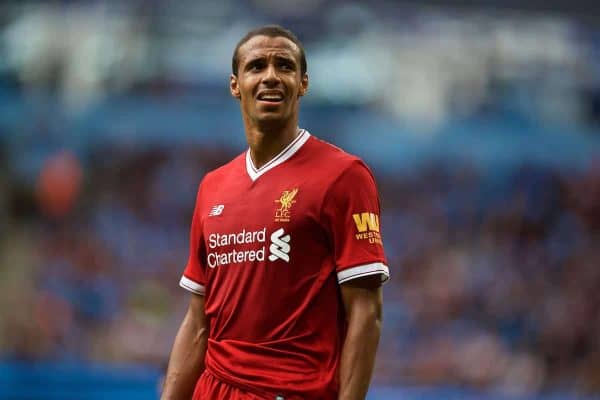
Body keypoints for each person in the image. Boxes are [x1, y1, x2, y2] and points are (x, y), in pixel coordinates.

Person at [161, 25, 389, 400]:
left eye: (284, 65)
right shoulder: (212, 187)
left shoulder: (344, 176)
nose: (270, 76)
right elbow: (198, 321)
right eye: (256, 66)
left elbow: (366, 313)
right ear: (236, 85)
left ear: (302, 84)